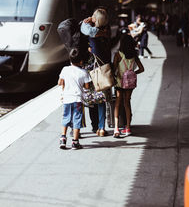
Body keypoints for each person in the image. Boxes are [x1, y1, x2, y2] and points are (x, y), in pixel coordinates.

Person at [81, 8, 111, 136]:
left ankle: (95, 126)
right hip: (103, 68)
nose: (91, 17)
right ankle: (101, 128)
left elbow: (85, 30)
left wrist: (84, 22)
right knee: (101, 99)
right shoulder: (106, 31)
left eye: (93, 15)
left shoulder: (93, 32)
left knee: (92, 99)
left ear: (97, 19)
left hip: (92, 69)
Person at [58, 48, 91, 150]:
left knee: (66, 117)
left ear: (70, 60)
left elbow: (60, 82)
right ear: (81, 61)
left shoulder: (65, 69)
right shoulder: (84, 72)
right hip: (77, 99)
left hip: (67, 99)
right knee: (77, 119)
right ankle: (75, 142)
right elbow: (87, 87)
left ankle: (63, 139)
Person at [113, 33, 144, 137]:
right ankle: (128, 127)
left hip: (119, 81)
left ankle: (116, 129)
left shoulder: (118, 54)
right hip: (130, 83)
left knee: (118, 103)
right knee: (127, 103)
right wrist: (133, 73)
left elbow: (113, 69)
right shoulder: (134, 55)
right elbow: (141, 69)